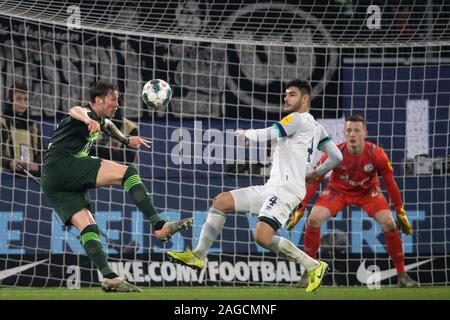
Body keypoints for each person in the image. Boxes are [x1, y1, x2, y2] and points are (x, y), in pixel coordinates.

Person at [167, 80, 343, 293]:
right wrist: (316, 173)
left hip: (285, 190)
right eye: (286, 94)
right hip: (273, 187)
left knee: (262, 237)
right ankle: (199, 255)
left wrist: (248, 134)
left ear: (305, 99)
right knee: (221, 202)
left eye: (292, 95)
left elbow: (271, 131)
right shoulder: (317, 127)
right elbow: (336, 156)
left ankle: (313, 265)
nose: (286, 98)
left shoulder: (296, 119)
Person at [41, 80, 193, 292]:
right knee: (127, 172)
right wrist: (87, 118)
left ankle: (109, 277)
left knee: (89, 227)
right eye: (113, 99)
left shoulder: (99, 118)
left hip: (52, 180)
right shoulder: (86, 113)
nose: (117, 103)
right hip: (63, 164)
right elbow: (75, 110)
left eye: (118, 99)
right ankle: (159, 225)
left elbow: (108, 125)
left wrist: (125, 140)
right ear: (97, 100)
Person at [287, 114, 419, 288]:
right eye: (349, 130)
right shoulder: (334, 153)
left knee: (389, 223)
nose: (352, 134)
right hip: (338, 191)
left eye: (357, 130)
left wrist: (400, 211)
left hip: (367, 192)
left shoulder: (377, 154)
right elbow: (315, 179)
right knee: (313, 219)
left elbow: (390, 183)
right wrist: (300, 208)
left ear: (365, 133)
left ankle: (402, 276)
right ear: (344, 132)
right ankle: (308, 273)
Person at [1, 82, 42, 176]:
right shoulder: (2, 123)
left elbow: (41, 153)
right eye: (18, 99)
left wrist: (37, 166)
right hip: (6, 178)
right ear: (11, 100)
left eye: (25, 99)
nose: (22, 103)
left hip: (28, 179)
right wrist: (10, 163)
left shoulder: (33, 126)